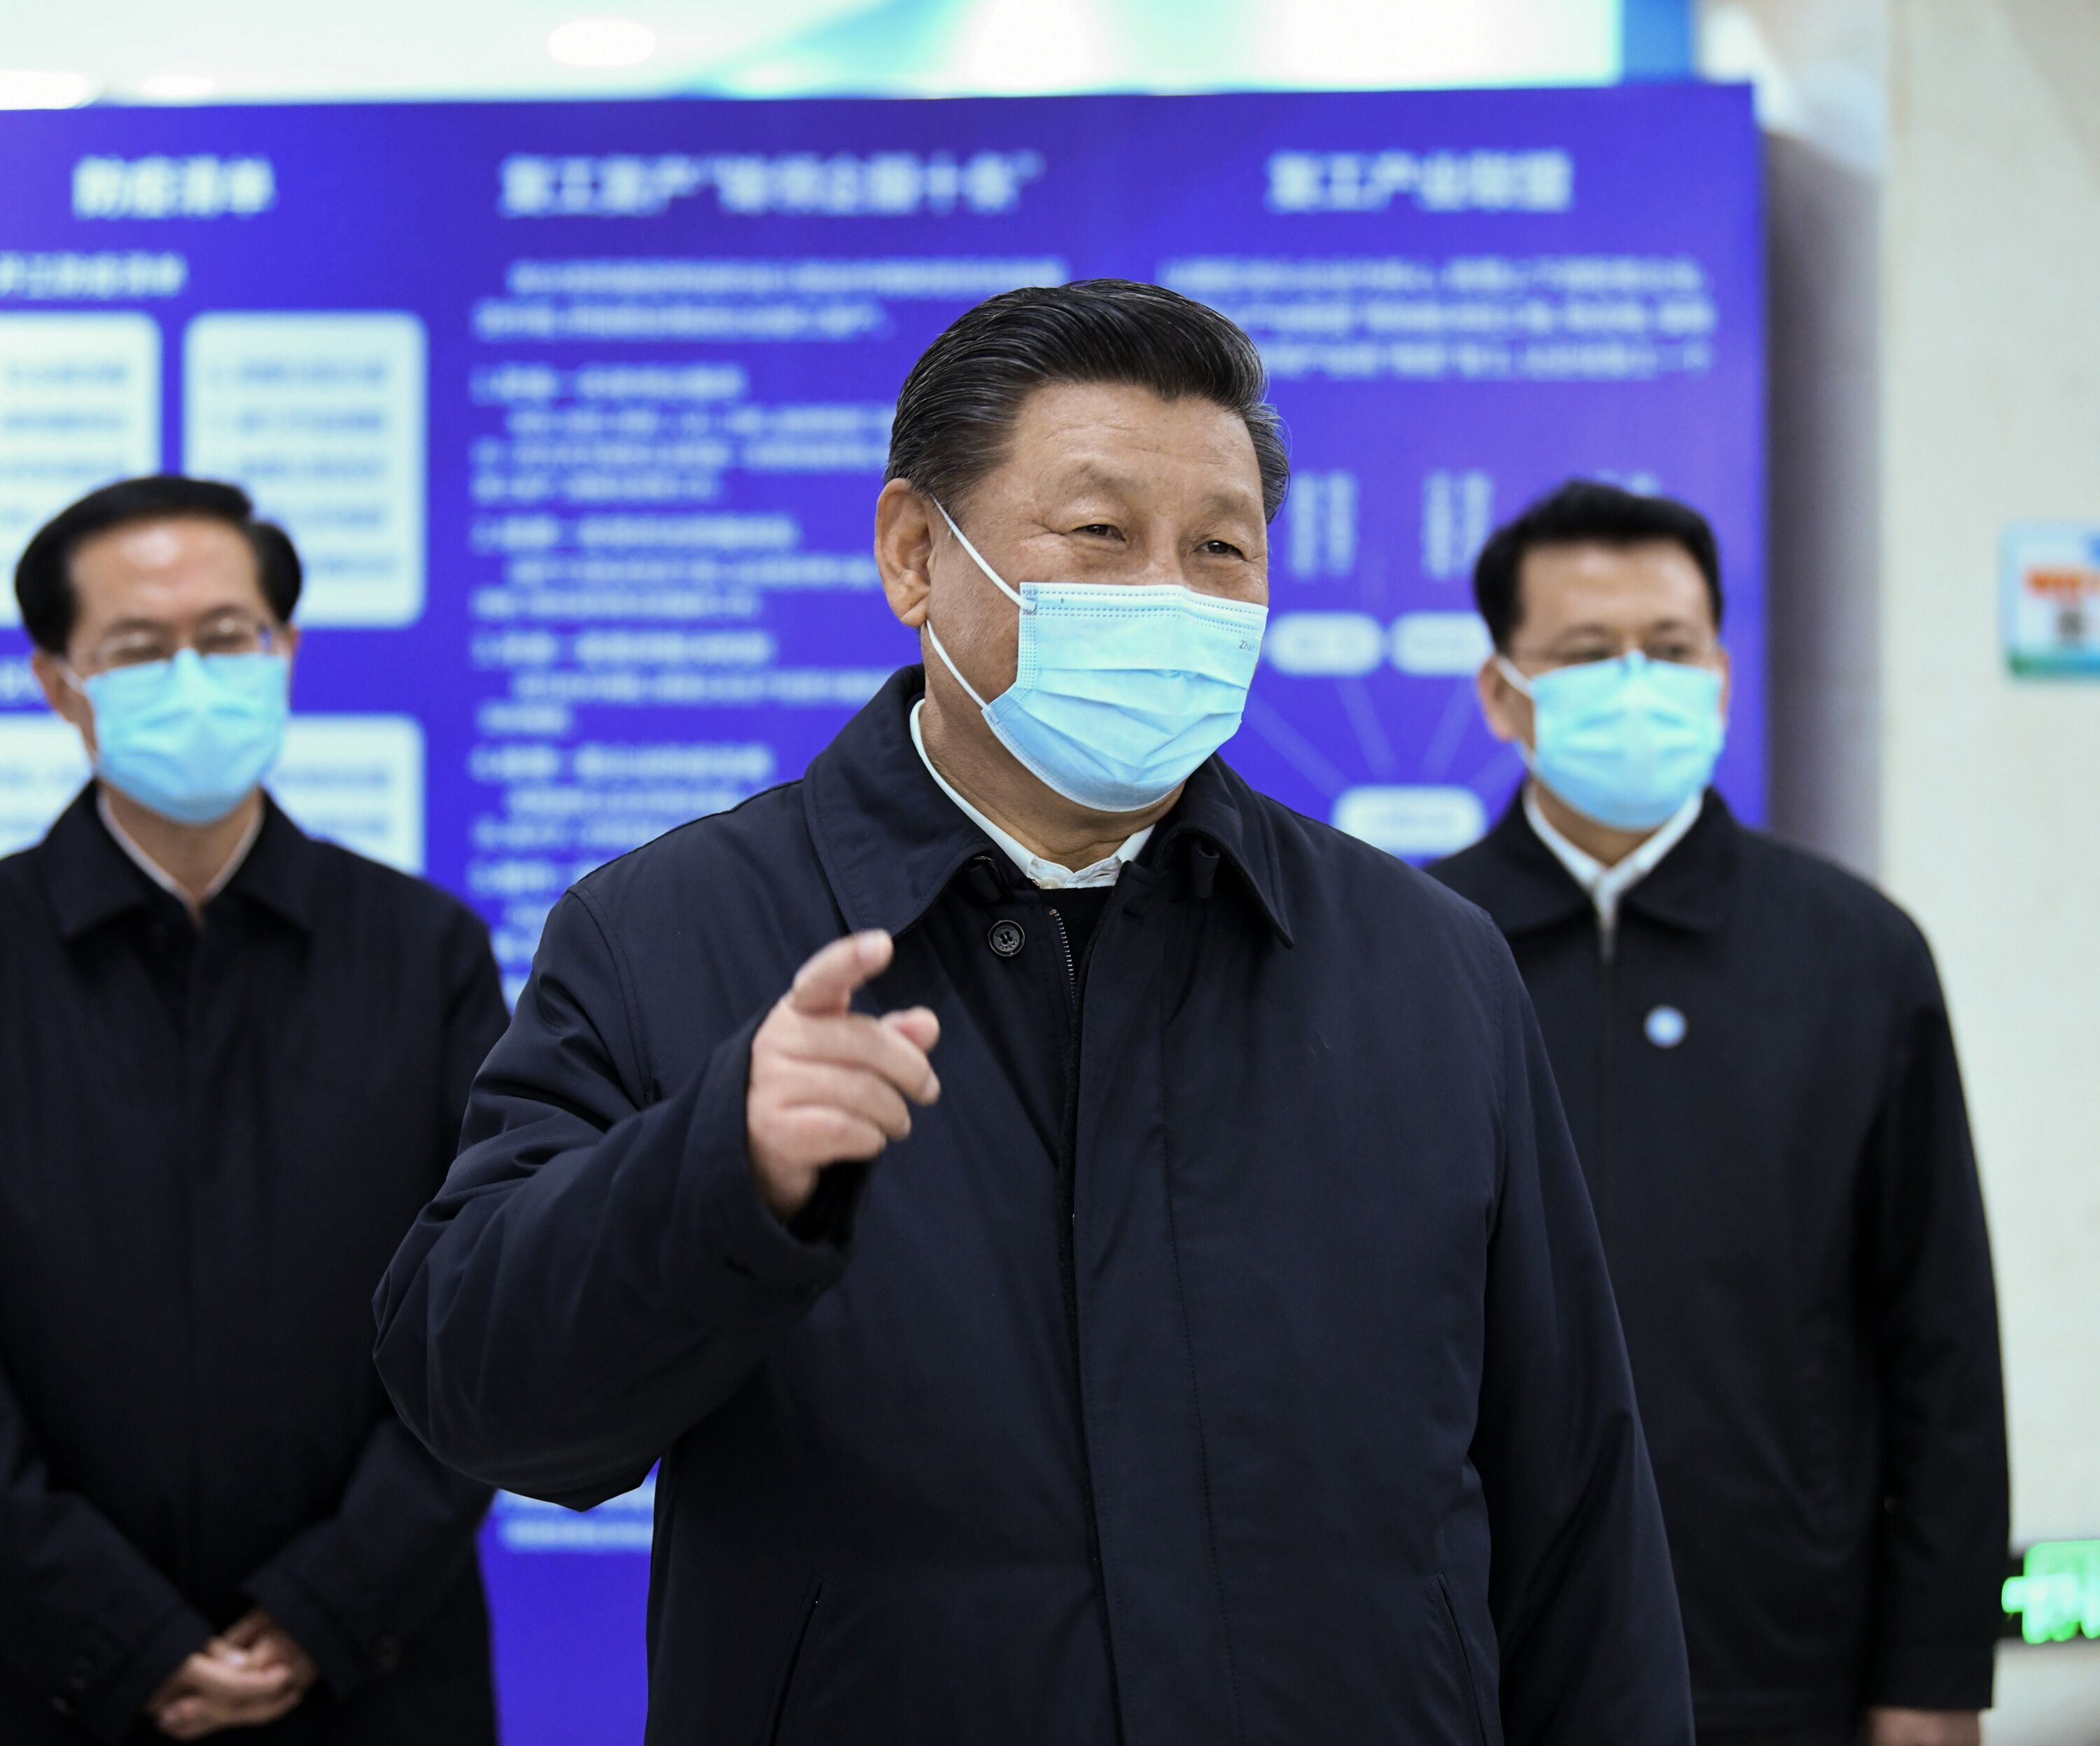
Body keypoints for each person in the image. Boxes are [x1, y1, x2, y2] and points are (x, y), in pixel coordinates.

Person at [375, 281, 1695, 1743]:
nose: (1170, 596)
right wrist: (715, 1178)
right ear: (913, 555)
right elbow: (480, 1393)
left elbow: (1577, 1509)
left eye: (1221, 549)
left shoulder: (1426, 966)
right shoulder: (670, 934)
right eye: (1100, 535)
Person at [1429, 481, 2008, 1746]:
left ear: (1722, 677)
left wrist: (1935, 1671)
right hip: (1475, 1660)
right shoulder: (1411, 952)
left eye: (1671, 647)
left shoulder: (1855, 955)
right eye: (1588, 653)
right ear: (1502, 694)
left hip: (1784, 1665)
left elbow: (1942, 1340)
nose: (1636, 684)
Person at [0, 477, 505, 1744]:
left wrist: (327, 1607)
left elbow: (489, 1309)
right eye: (136, 648)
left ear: (283, 650)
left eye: (227, 637)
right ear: (59, 683)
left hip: (378, 1674)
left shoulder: (423, 953)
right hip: (39, 1673)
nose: (192, 678)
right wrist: (116, 1634)